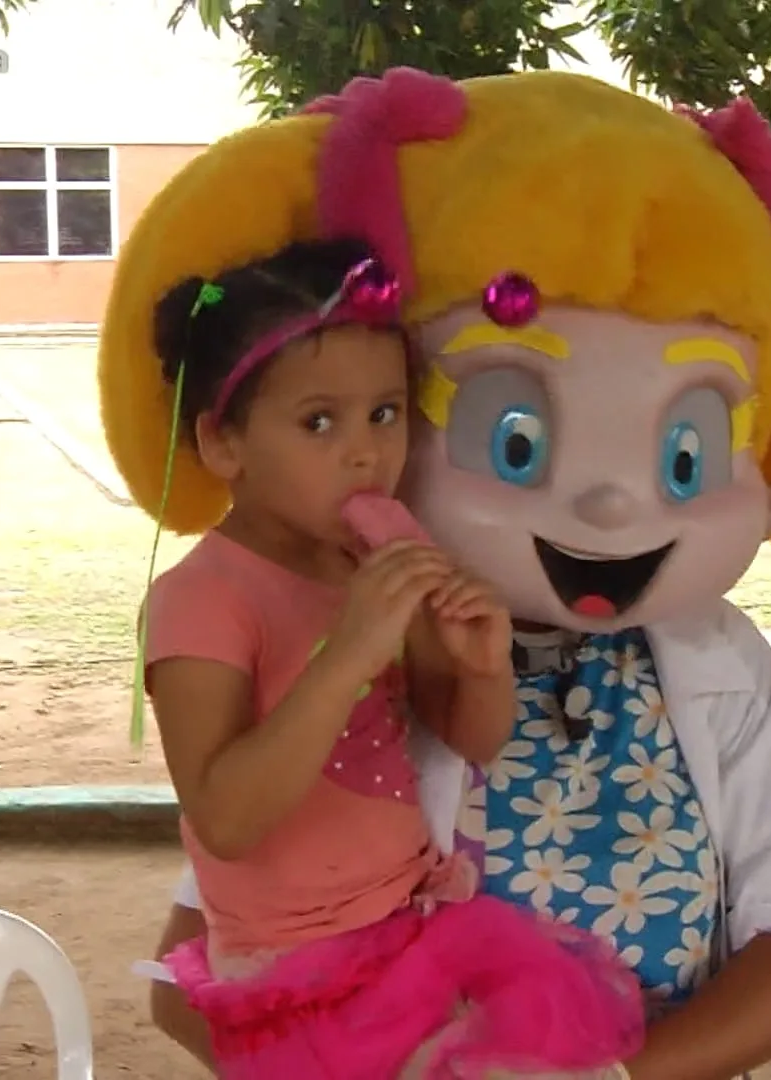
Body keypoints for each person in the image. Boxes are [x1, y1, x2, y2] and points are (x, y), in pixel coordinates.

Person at [98, 67, 771, 1079]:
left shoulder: (719, 665)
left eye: (383, 415)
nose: (609, 506)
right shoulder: (335, 602)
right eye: (513, 432)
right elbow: (203, 950)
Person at [136, 236, 646, 1076]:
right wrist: (349, 651)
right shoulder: (203, 600)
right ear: (224, 443)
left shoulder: (370, 566)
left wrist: (480, 662)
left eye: (385, 412)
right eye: (318, 422)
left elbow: (470, 737)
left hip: (418, 932)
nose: (366, 452)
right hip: (295, 975)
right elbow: (225, 820)